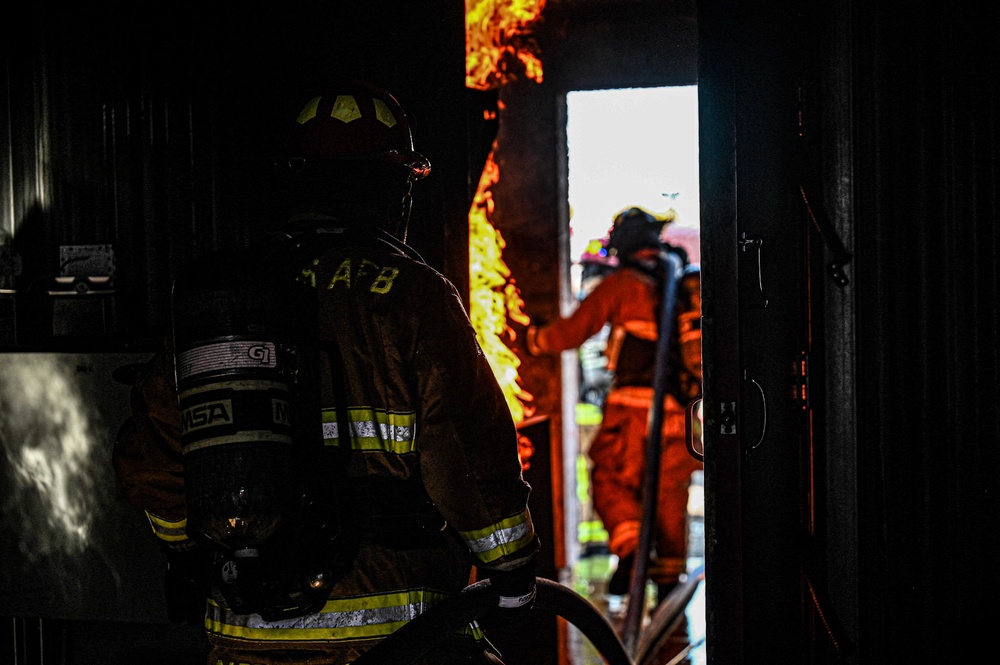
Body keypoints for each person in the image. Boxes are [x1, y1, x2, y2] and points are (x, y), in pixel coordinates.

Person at [113, 80, 539, 665]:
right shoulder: (409, 294)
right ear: (396, 187)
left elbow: (152, 453)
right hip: (392, 638)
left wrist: (194, 551)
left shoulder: (226, 296)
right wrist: (513, 572)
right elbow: (466, 452)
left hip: (245, 638)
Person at [526, 206, 702, 603]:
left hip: (633, 411)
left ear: (622, 246)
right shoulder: (684, 285)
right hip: (680, 417)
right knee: (669, 498)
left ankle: (631, 550)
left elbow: (571, 332)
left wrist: (533, 340)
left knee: (609, 476)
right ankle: (669, 593)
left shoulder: (624, 284)